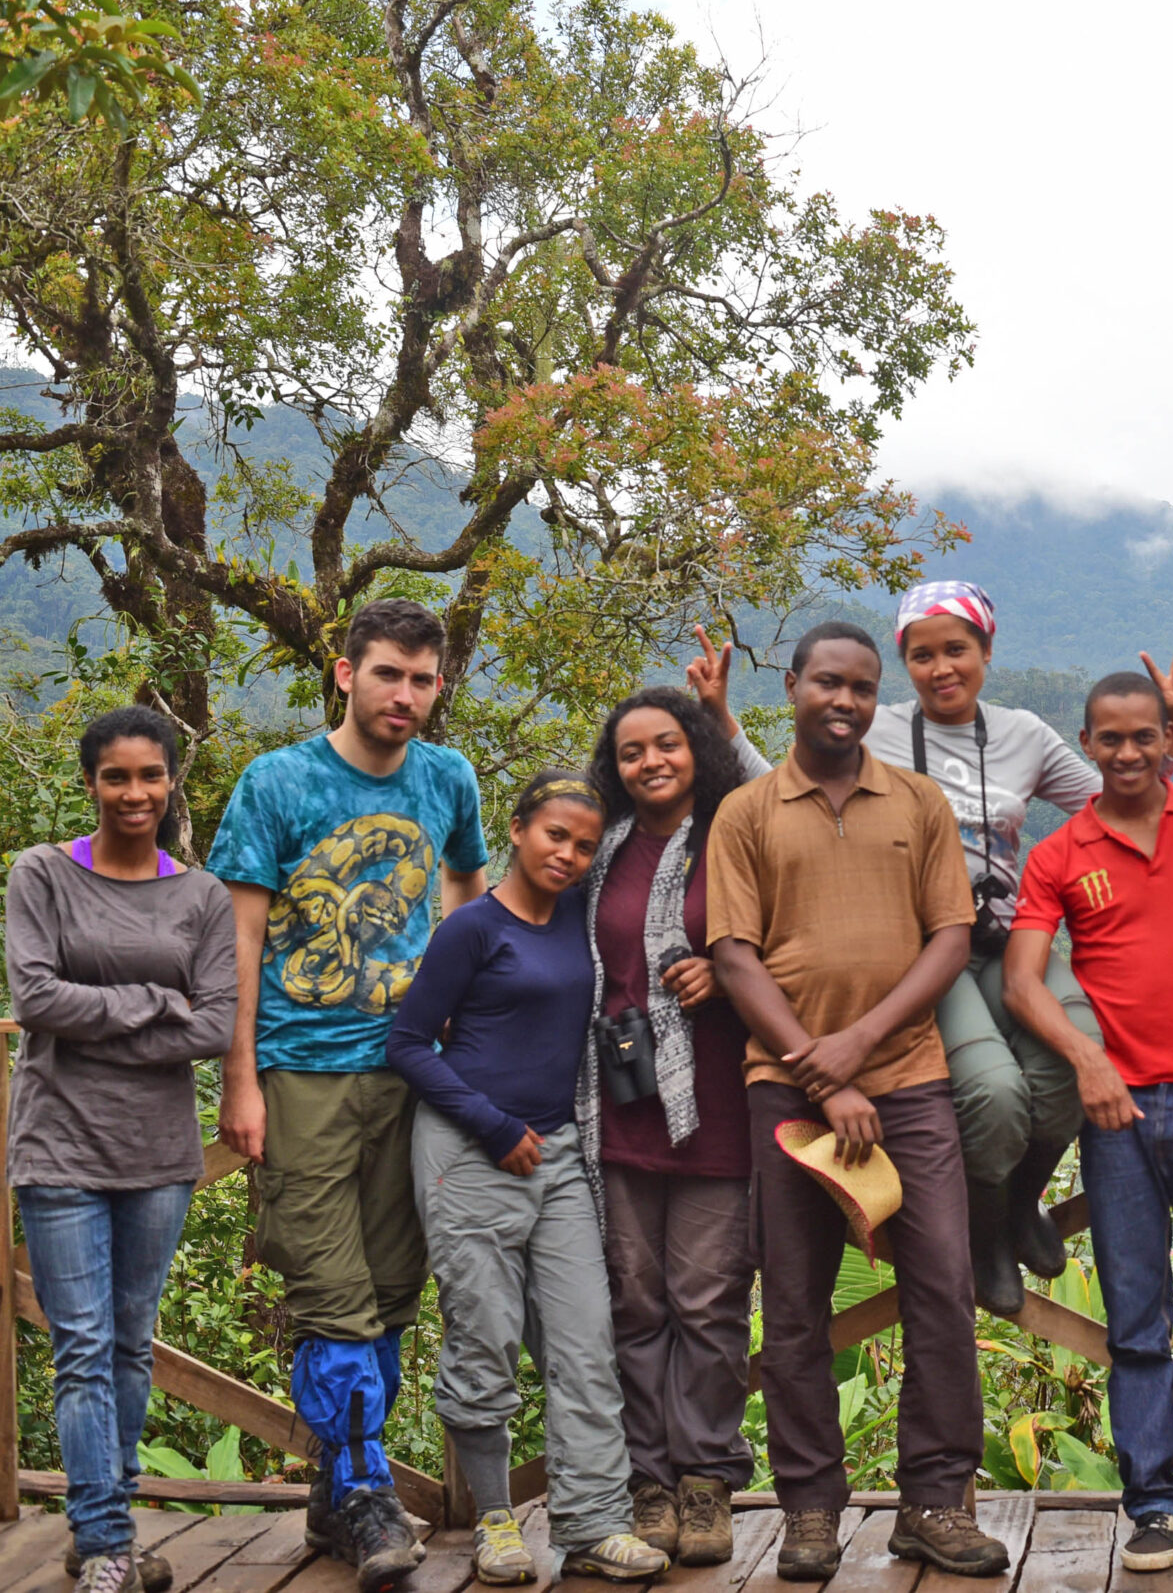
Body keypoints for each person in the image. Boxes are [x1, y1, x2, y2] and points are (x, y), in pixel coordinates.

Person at [698, 585, 1173, 1315]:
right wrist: (720, 718)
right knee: (994, 1094)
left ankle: (1020, 1199)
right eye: (923, 655)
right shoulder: (875, 727)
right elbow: (784, 787)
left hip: (1010, 933)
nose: (941, 668)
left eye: (957, 650)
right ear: (903, 664)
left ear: (987, 653)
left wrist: (1171, 737)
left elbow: (1118, 798)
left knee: (1079, 1053)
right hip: (928, 945)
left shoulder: (1024, 734)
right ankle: (987, 1231)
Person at [704, 620, 1010, 1582]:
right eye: (827, 682)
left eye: (863, 689)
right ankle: (807, 1511)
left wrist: (858, 1051)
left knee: (941, 1291)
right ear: (791, 685)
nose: (845, 700)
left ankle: (934, 1502)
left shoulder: (916, 802)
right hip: (785, 1095)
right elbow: (733, 956)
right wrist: (815, 1066)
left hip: (911, 1083)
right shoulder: (748, 812)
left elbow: (949, 940)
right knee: (792, 1305)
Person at [206, 598, 489, 1593]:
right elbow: (237, 940)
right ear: (344, 672)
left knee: (395, 1288)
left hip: (414, 1073)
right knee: (331, 1295)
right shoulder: (276, 782)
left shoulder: (447, 777)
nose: (403, 695)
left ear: (437, 686)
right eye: (386, 675)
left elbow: (470, 905)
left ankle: (338, 1487)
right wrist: (240, 1081)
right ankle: (368, 1493)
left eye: (420, 680)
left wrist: (467, 1033)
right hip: (304, 1067)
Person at [1004, 672, 1173, 1574]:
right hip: (1114, 1111)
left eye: (1141, 737)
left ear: (1167, 739)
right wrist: (1088, 1062)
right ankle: (1152, 1502)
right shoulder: (1061, 851)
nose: (1124, 753)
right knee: (1134, 1317)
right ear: (1087, 740)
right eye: (1107, 739)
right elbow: (1023, 979)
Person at [388, 771, 668, 1586]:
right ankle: (496, 1520)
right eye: (555, 835)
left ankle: (591, 1522)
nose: (570, 854)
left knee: (586, 1342)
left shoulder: (581, 921)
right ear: (516, 830)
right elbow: (407, 1044)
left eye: (585, 844)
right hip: (471, 1149)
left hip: (558, 1151)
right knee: (484, 1337)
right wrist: (494, 1125)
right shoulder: (472, 928)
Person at [8, 707, 234, 1593]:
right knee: (83, 1345)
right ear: (91, 782)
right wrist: (152, 1004)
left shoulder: (202, 896)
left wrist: (100, 1011)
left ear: (172, 780)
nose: (134, 792)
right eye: (116, 776)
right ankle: (106, 1543)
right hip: (58, 1145)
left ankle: (102, 1524)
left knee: (131, 1342)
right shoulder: (42, 875)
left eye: (150, 775)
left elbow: (214, 1024)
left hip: (157, 1154)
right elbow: (34, 999)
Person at [581, 683, 756, 1568]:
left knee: (710, 1302)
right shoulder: (597, 849)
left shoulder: (736, 832)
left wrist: (726, 982)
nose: (650, 762)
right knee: (635, 1301)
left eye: (667, 744)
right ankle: (646, 1481)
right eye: (631, 752)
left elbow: (785, 938)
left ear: (696, 747)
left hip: (719, 1101)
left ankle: (706, 1480)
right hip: (617, 1104)